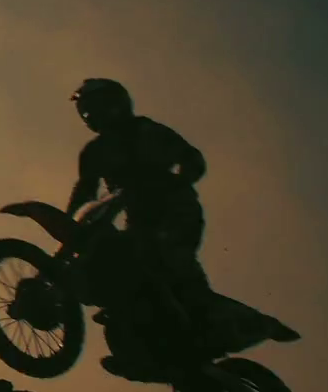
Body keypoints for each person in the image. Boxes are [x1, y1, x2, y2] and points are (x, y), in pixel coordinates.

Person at [64, 78, 294, 365]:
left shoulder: (147, 131)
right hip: (138, 220)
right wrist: (70, 222)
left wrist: (178, 180)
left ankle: (246, 322)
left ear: (114, 102)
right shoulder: (94, 152)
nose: (90, 114)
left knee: (169, 261)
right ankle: (142, 338)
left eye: (95, 106)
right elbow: (85, 191)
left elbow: (191, 158)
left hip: (176, 210)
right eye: (85, 109)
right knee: (121, 264)